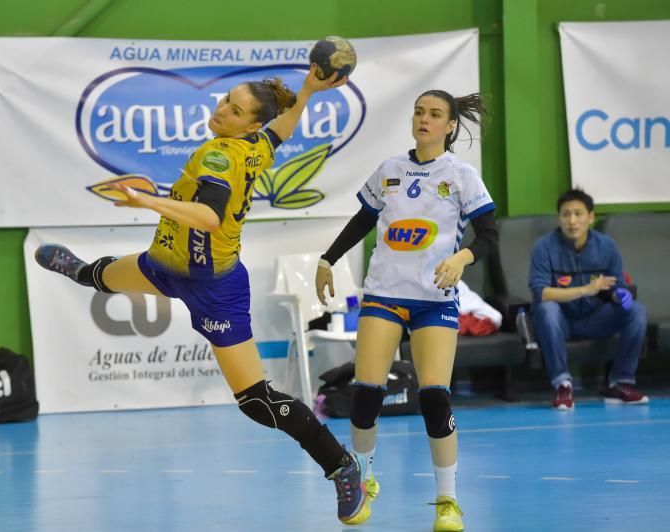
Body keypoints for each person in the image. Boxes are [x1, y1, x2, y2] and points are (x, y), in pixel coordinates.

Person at [34, 67, 370, 525]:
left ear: (248, 124)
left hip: (213, 285)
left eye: (234, 110)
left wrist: (147, 201)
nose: (221, 111)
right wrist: (309, 90)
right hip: (166, 261)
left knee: (256, 401)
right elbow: (281, 131)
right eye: (225, 100)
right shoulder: (254, 145)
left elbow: (210, 218)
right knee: (100, 277)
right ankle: (80, 270)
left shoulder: (219, 156)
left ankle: (340, 466)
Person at [315, 90, 498, 531]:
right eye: (419, 112)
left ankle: (448, 501)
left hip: (434, 302)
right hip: (383, 295)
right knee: (366, 392)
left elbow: (489, 237)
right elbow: (362, 219)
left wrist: (460, 259)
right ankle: (362, 479)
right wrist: (328, 259)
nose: (424, 119)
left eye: (435, 114)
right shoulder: (390, 170)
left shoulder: (460, 175)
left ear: (451, 126)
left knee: (434, 398)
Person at [529, 188, 649, 410]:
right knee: (546, 309)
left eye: (578, 213)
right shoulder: (543, 247)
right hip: (560, 322)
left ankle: (620, 383)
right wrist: (586, 289)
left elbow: (617, 285)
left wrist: (619, 295)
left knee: (636, 310)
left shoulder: (607, 246)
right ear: (559, 218)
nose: (572, 221)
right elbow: (542, 292)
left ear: (591, 217)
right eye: (566, 214)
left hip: (595, 319)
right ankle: (562, 386)